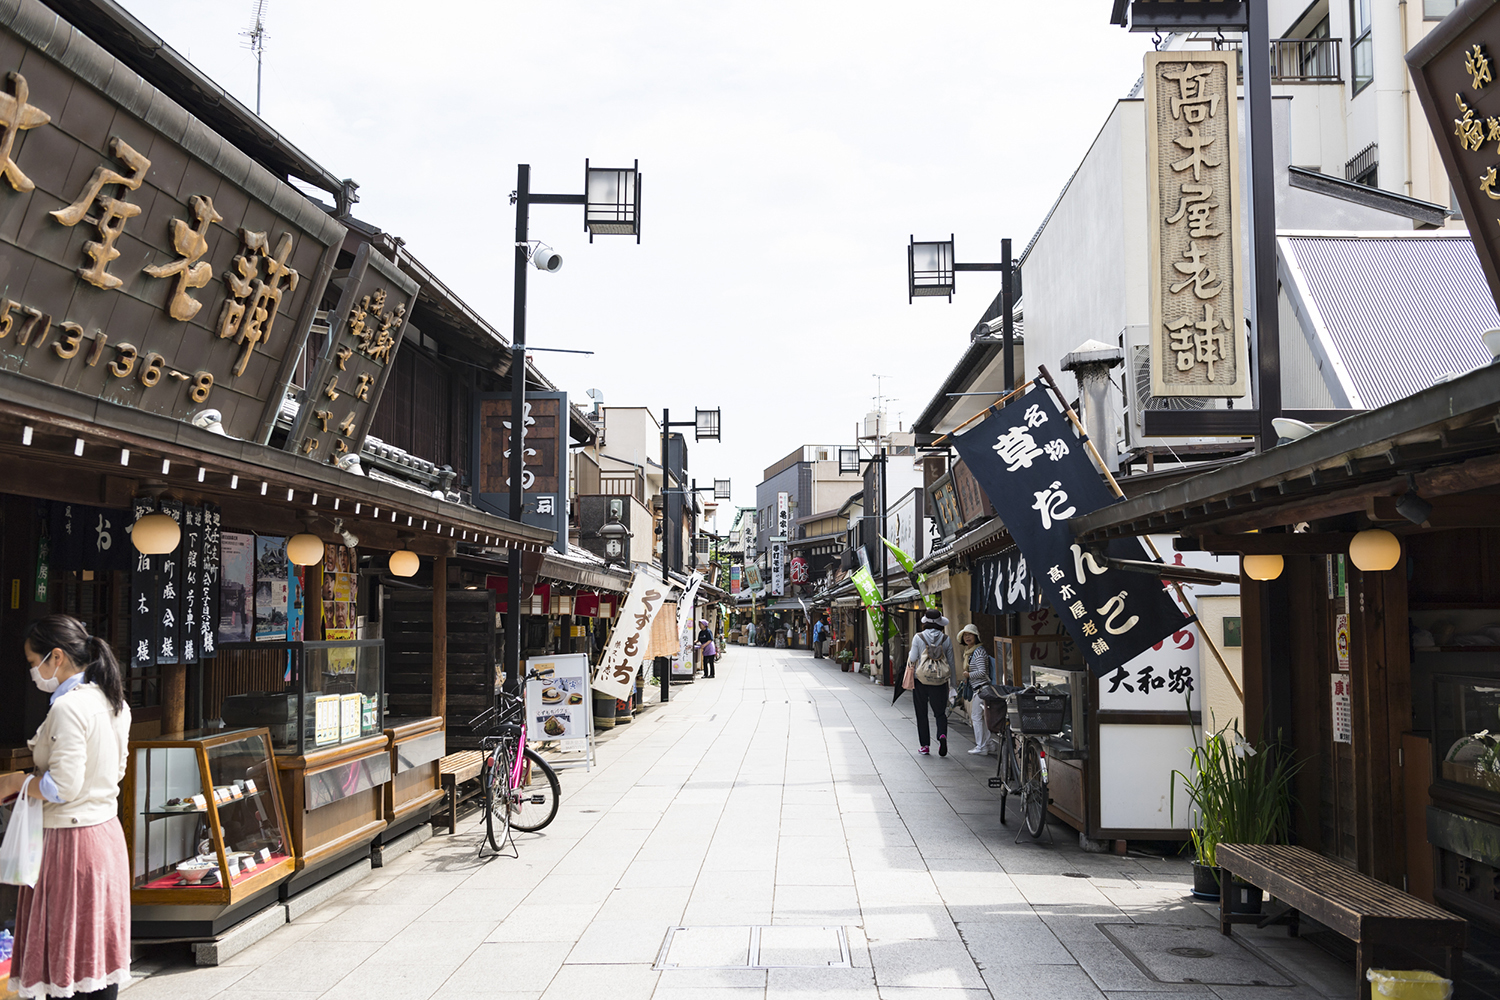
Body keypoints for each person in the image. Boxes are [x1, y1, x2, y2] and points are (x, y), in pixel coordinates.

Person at [0, 615, 133, 1000]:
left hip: (70, 841)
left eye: (32, 662)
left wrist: (17, 783)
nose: (33, 672)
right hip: (104, 835)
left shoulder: (69, 707)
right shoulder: (113, 700)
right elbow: (118, 768)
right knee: (96, 952)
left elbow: (62, 785)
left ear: (55, 657)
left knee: (66, 952)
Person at [904, 609, 954, 756]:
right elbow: (951, 663)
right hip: (940, 681)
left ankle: (925, 745)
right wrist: (953, 685)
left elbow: (913, 658)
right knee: (940, 713)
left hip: (921, 680)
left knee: (921, 713)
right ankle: (942, 736)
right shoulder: (946, 639)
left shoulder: (918, 637)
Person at [958, 624, 998, 755]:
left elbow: (982, 672)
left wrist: (969, 675)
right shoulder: (971, 652)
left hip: (982, 689)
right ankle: (989, 744)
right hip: (979, 689)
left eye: (970, 634)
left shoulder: (979, 652)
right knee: (982, 717)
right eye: (965, 635)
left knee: (976, 717)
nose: (967, 637)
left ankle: (981, 746)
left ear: (976, 636)